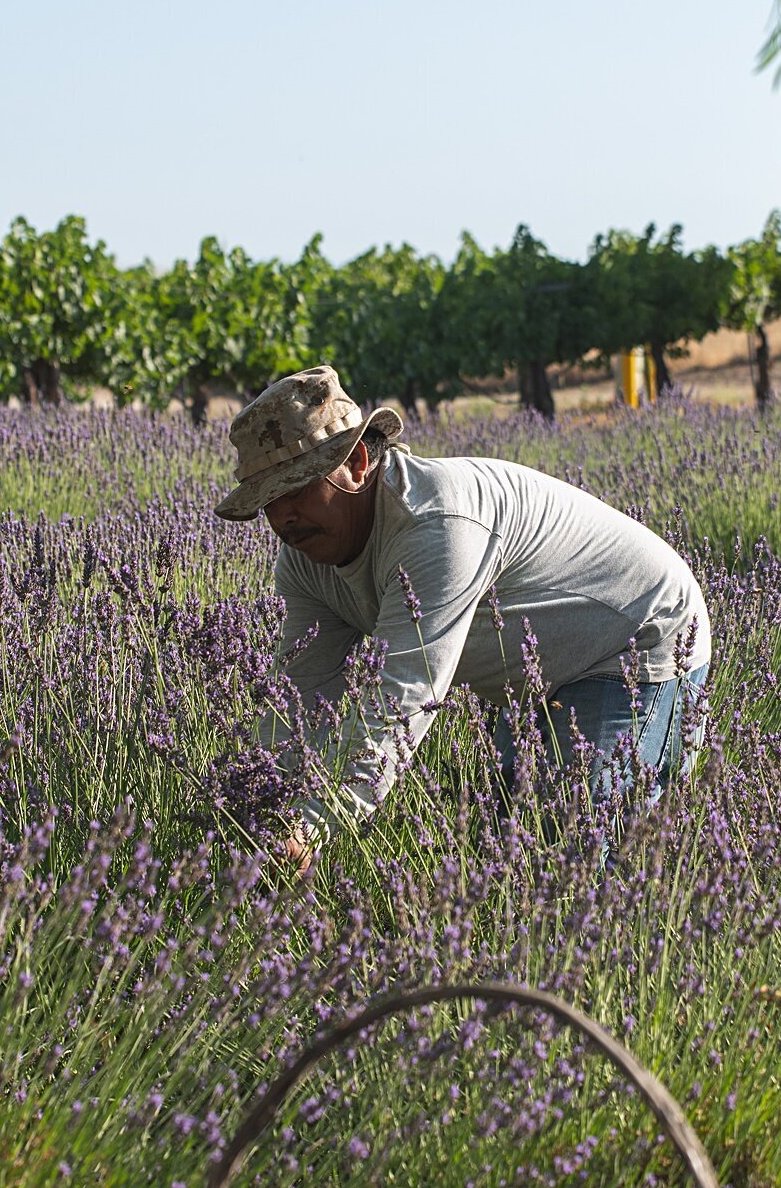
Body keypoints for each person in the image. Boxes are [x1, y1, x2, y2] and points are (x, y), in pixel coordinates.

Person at [216, 365, 711, 868]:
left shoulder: (437, 526)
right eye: (268, 501)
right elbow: (301, 695)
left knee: (578, 856)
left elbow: (401, 697)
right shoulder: (305, 558)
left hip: (635, 636)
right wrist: (256, 808)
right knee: (511, 854)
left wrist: (312, 827)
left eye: (297, 489)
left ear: (359, 460)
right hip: (531, 673)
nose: (283, 518)